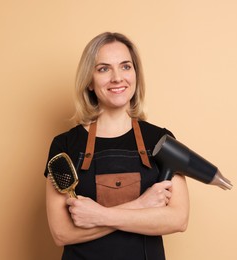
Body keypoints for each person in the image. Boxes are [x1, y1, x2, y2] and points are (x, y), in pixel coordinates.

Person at [44, 32, 189, 260]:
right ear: (89, 81)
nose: (117, 78)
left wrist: (99, 215)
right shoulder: (65, 145)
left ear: (135, 75)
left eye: (125, 67)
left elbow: (178, 219)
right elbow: (62, 233)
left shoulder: (161, 141)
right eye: (103, 69)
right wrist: (141, 205)